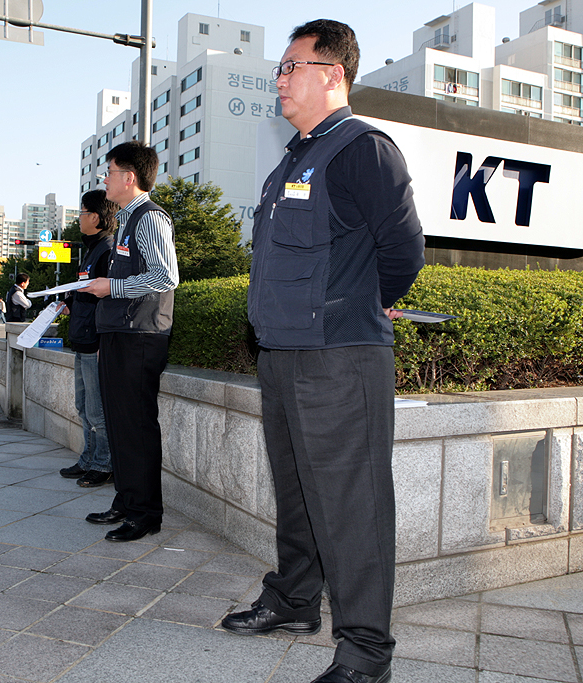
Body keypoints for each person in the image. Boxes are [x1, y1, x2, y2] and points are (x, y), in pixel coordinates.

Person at [220, 20, 425, 683]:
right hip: (283, 355)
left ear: (333, 74)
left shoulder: (363, 149)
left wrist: (362, 302)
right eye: (279, 69)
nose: (279, 79)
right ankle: (293, 600)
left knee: (352, 506)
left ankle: (365, 654)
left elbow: (403, 250)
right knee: (299, 494)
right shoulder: (292, 160)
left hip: (339, 357)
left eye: (291, 67)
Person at [80, 140, 179, 542]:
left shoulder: (149, 217)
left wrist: (111, 286)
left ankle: (145, 514)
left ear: (129, 177)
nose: (104, 180)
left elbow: (166, 276)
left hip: (140, 336)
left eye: (109, 173)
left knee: (135, 426)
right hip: (120, 332)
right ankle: (127, 500)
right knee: (119, 425)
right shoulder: (126, 219)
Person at [58, 190, 117, 488]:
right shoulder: (92, 249)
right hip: (82, 339)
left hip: (95, 343)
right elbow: (87, 293)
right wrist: (69, 304)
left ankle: (104, 464)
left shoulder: (108, 250)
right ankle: (88, 459)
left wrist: (103, 342)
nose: (78, 218)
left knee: (97, 410)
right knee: (83, 406)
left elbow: (110, 298)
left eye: (81, 213)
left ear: (95, 217)